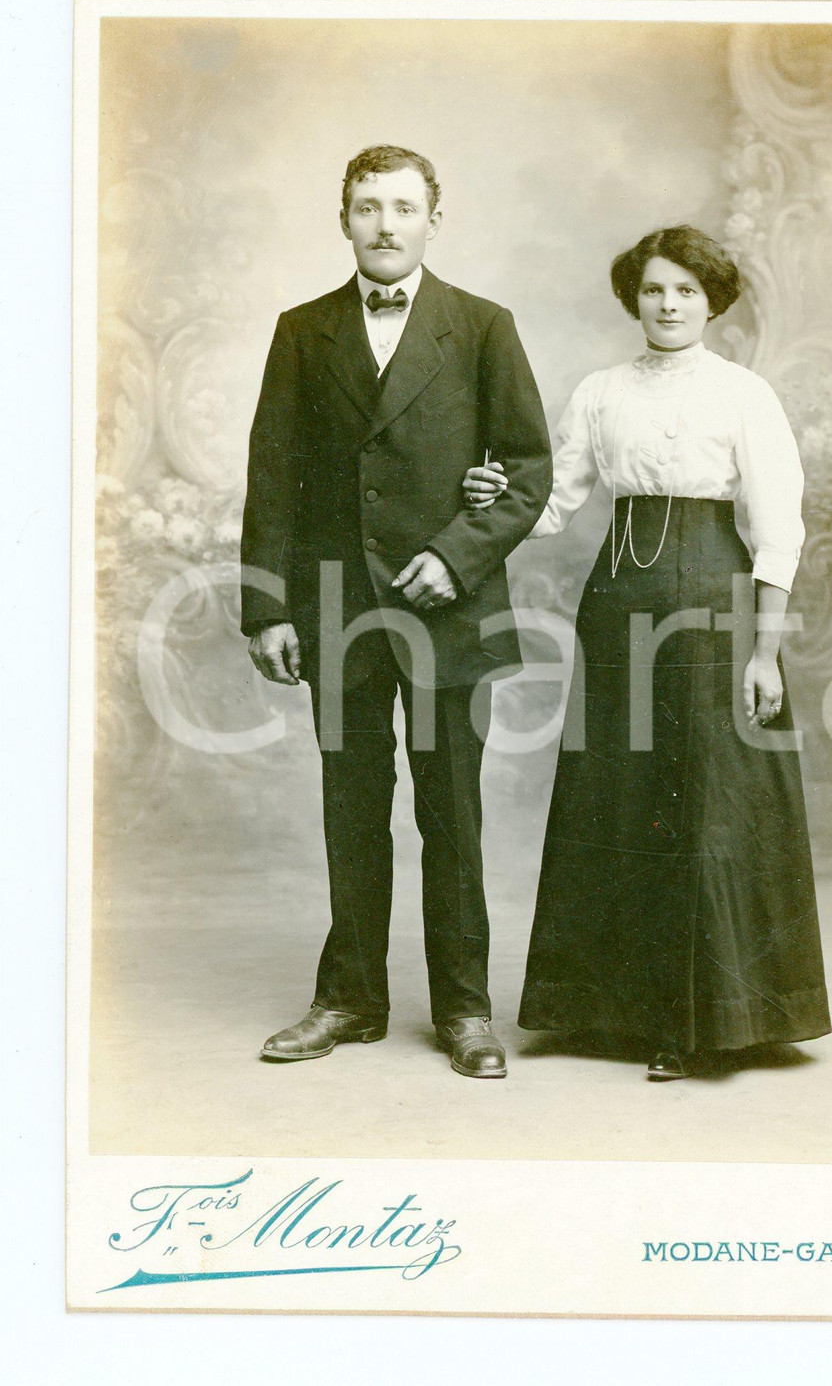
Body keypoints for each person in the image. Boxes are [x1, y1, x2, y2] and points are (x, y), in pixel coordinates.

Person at [463, 225, 831, 1081]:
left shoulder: (745, 395)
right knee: (617, 796)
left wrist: (764, 653)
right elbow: (553, 503)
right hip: (618, 602)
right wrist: (491, 494)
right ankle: (601, 1011)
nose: (668, 306)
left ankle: (697, 1022)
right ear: (634, 297)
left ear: (712, 304)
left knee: (702, 803)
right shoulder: (598, 392)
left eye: (686, 293)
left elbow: (776, 531)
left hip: (712, 603)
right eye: (655, 291)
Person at [241, 144, 552, 1078]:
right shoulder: (303, 330)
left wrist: (453, 559)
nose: (385, 225)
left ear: (434, 221)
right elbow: (271, 479)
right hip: (335, 608)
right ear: (343, 220)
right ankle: (348, 998)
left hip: (447, 612)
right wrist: (268, 610)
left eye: (404, 208)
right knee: (352, 807)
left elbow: (528, 471)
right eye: (367, 208)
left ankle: (464, 1010)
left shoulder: (483, 326)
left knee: (452, 811)